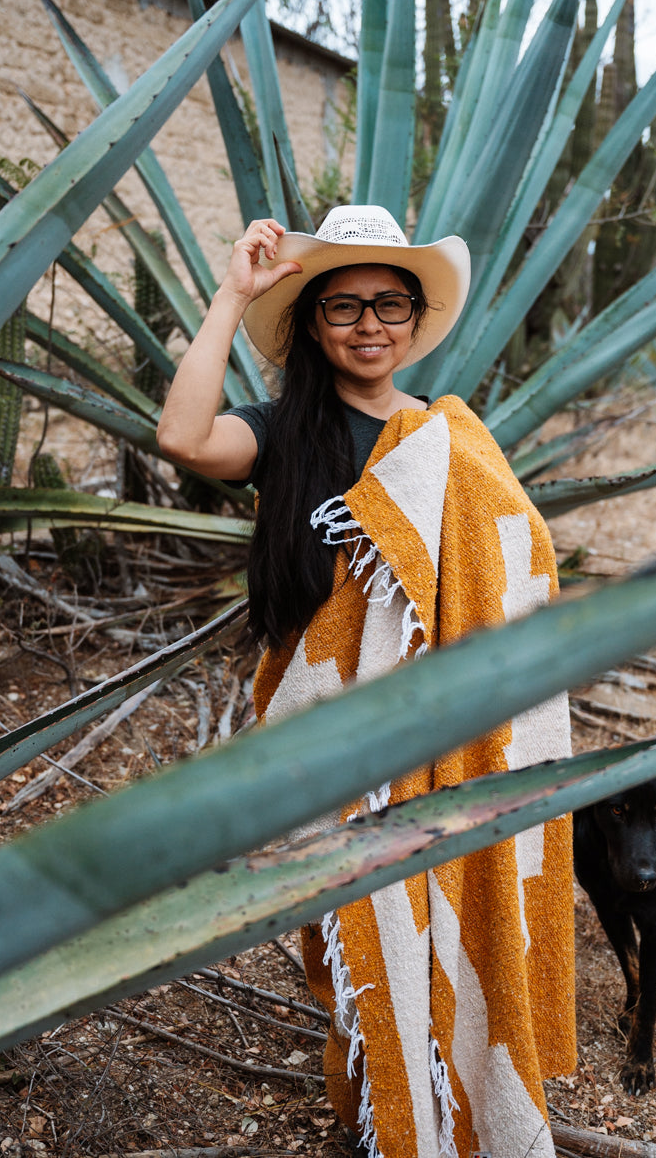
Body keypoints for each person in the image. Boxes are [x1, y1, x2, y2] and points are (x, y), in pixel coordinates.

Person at [158, 206, 577, 1158]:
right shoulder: (282, 432)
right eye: (342, 307)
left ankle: (442, 1115)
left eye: (389, 304)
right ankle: (388, 1110)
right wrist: (235, 294)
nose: (368, 325)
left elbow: (514, 576)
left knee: (436, 913)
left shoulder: (449, 444)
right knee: (347, 933)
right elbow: (183, 436)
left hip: (433, 731)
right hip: (322, 731)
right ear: (311, 323)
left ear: (415, 318)